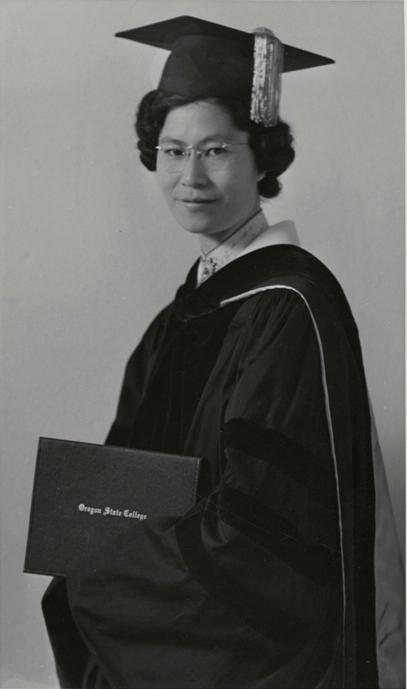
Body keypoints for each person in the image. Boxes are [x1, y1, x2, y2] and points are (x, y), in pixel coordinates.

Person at [42, 16, 404, 689]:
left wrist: (100, 577)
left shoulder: (286, 304)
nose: (189, 176)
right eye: (173, 151)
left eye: (215, 150)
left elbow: (264, 539)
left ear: (262, 157)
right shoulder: (191, 309)